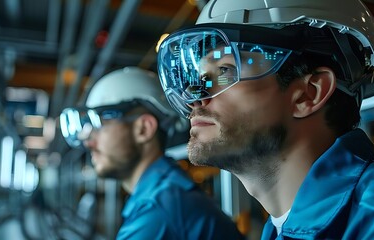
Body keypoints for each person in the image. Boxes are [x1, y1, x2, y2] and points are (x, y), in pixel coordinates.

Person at [156, 0, 374, 239]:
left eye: (226, 72)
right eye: (202, 79)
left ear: (308, 94)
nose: (196, 98)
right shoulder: (280, 228)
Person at [59, 67, 244, 239]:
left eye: (99, 125)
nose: (89, 142)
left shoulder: (158, 210)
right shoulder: (165, 193)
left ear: (144, 129)